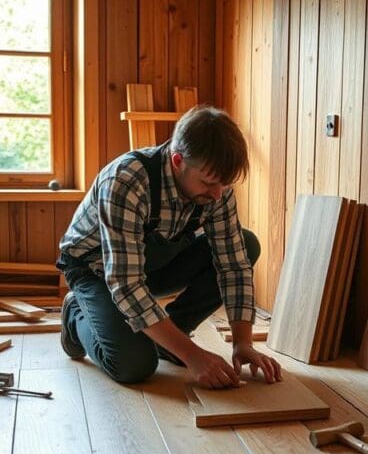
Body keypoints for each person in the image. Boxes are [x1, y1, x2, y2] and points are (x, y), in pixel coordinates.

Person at [57, 105, 282, 389]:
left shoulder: (216, 187)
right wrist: (193, 355)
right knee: (133, 366)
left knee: (246, 244)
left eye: (224, 185)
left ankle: (170, 338)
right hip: (96, 270)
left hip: (149, 267)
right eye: (209, 183)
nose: (217, 194)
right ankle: (76, 314)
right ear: (178, 161)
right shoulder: (126, 181)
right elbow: (126, 284)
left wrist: (243, 343)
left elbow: (234, 265)